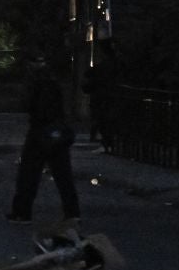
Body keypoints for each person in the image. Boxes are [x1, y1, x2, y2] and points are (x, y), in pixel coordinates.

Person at [7, 52, 81, 225]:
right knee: (63, 175)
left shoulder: (35, 81)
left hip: (40, 130)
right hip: (56, 129)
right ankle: (72, 212)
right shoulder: (54, 81)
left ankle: (22, 212)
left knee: (29, 173)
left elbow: (28, 104)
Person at [83, 39, 121, 152]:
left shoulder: (104, 65)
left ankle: (105, 139)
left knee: (100, 117)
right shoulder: (113, 64)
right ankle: (107, 139)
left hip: (102, 95)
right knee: (104, 118)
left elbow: (89, 73)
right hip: (109, 94)